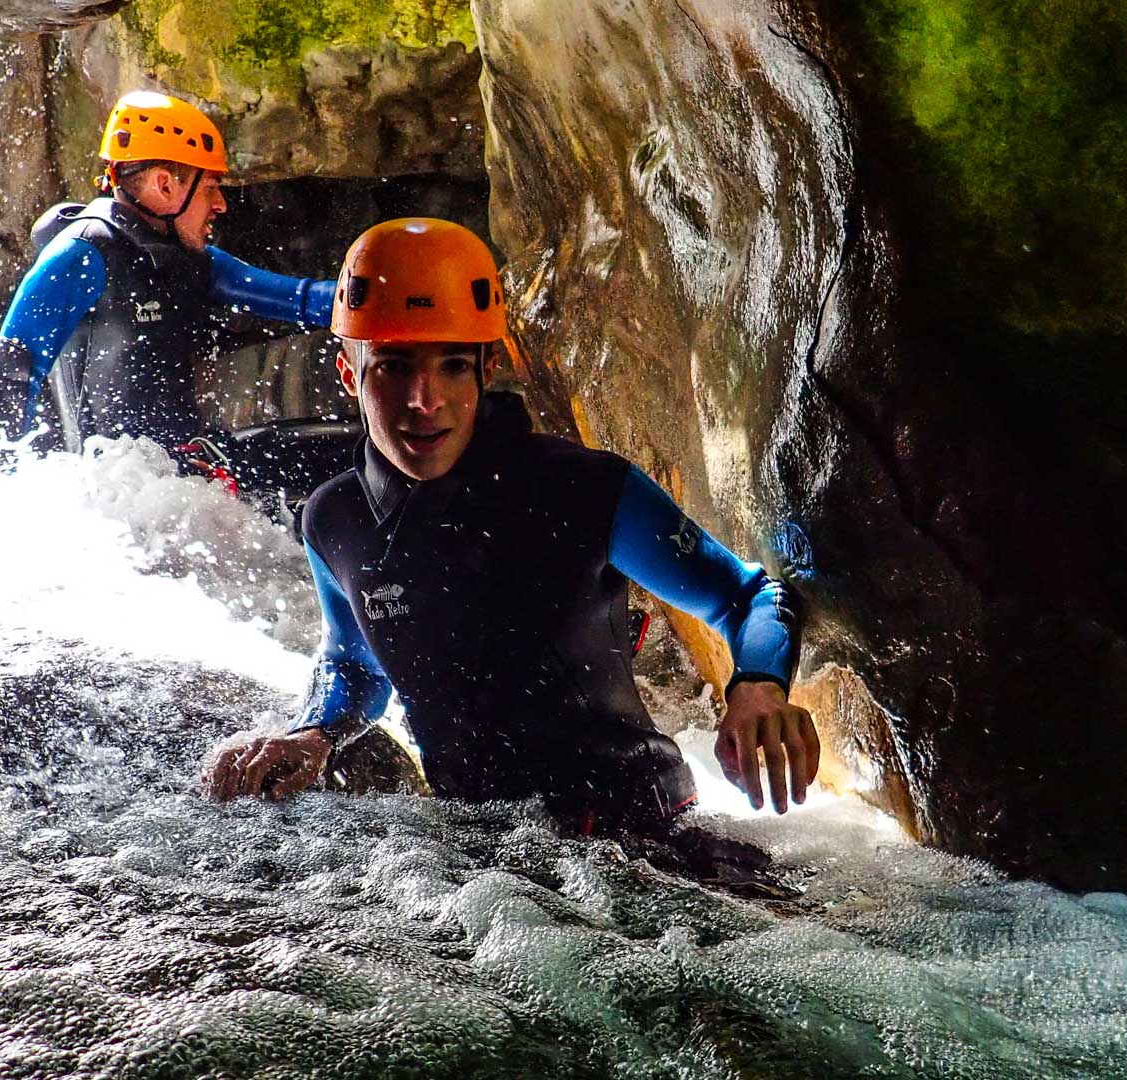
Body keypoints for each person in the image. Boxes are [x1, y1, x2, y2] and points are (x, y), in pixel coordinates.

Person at [204, 218, 820, 836]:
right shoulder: (334, 519)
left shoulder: (586, 489)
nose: (425, 400)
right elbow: (355, 663)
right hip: (474, 851)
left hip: (645, 830)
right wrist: (312, 731)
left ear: (487, 366)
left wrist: (758, 686)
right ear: (349, 374)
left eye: (450, 366)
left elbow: (746, 596)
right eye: (393, 367)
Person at [0, 91, 337, 454]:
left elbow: (304, 300)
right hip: (117, 493)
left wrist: (374, 293)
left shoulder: (183, 256)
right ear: (164, 185)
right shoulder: (81, 252)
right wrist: (10, 491)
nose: (220, 204)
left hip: (180, 477)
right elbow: (5, 378)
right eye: (210, 188)